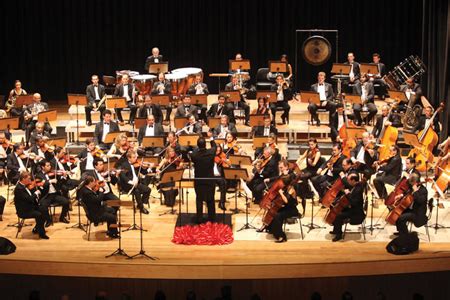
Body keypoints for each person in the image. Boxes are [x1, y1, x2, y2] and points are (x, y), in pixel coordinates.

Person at [263, 160, 299, 243]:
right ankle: (272, 229)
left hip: (291, 210)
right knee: (273, 211)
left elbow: (286, 201)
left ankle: (281, 236)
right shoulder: (285, 186)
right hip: (285, 207)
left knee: (278, 215)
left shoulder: (291, 189)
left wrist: (280, 193)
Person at [330, 173, 366, 241]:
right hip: (352, 208)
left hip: (356, 212)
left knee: (338, 215)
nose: (348, 182)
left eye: (348, 180)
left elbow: (354, 203)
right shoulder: (355, 186)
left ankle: (339, 235)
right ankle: (336, 230)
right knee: (336, 209)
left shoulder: (358, 189)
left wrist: (348, 194)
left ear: (353, 180)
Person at [14, 171, 49, 239]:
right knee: (39, 215)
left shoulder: (25, 186)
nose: (30, 180)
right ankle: (42, 233)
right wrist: (36, 194)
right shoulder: (19, 189)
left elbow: (32, 196)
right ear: (24, 179)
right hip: (24, 210)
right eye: (29, 179)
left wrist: (39, 189)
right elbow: (29, 199)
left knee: (44, 210)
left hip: (30, 207)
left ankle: (37, 228)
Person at [189, 137, 217, 223]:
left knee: (199, 199)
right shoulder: (211, 152)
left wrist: (197, 148)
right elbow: (215, 146)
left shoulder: (194, 155)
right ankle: (212, 218)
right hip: (209, 180)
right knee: (211, 199)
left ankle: (199, 218)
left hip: (199, 180)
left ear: (198, 145)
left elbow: (193, 153)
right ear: (205, 144)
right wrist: (211, 138)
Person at [36, 160, 71, 225]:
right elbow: (39, 184)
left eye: (50, 165)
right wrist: (49, 181)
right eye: (48, 166)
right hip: (46, 195)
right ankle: (48, 220)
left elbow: (60, 182)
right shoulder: (39, 175)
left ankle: (62, 217)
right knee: (43, 206)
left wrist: (64, 176)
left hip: (55, 194)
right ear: (43, 167)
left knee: (66, 202)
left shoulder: (53, 173)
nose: (50, 167)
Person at [295, 138, 323, 212]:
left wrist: (310, 162)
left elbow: (314, 164)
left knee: (303, 176)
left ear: (316, 144)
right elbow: (302, 157)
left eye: (312, 144)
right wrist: (297, 162)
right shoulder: (308, 150)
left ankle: (309, 194)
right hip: (308, 169)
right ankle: (302, 193)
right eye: (309, 144)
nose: (310, 146)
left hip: (314, 170)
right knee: (297, 174)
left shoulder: (317, 152)